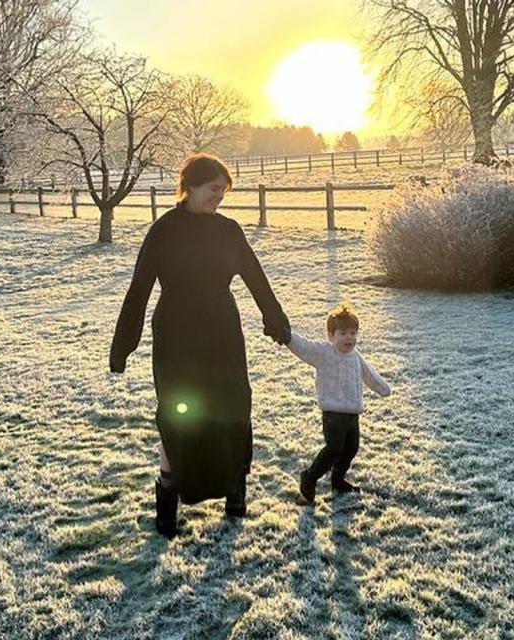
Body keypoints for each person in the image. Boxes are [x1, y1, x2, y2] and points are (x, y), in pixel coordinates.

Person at [109, 153, 290, 539]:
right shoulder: (163, 232)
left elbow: (256, 278)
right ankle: (168, 508)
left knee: (233, 409)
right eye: (213, 189)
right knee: (179, 416)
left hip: (223, 333)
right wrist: (124, 344)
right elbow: (139, 288)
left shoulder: (229, 231)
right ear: (189, 186)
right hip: (177, 337)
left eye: (224, 191)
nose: (219, 197)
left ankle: (234, 495)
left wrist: (276, 319)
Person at [284, 302, 392, 504]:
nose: (349, 338)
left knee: (351, 449)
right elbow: (303, 347)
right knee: (333, 449)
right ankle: (309, 477)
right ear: (331, 335)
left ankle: (338, 479)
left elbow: (370, 376)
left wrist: (384, 389)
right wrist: (287, 336)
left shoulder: (356, 357)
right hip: (333, 414)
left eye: (353, 333)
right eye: (343, 333)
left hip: (352, 414)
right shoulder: (325, 353)